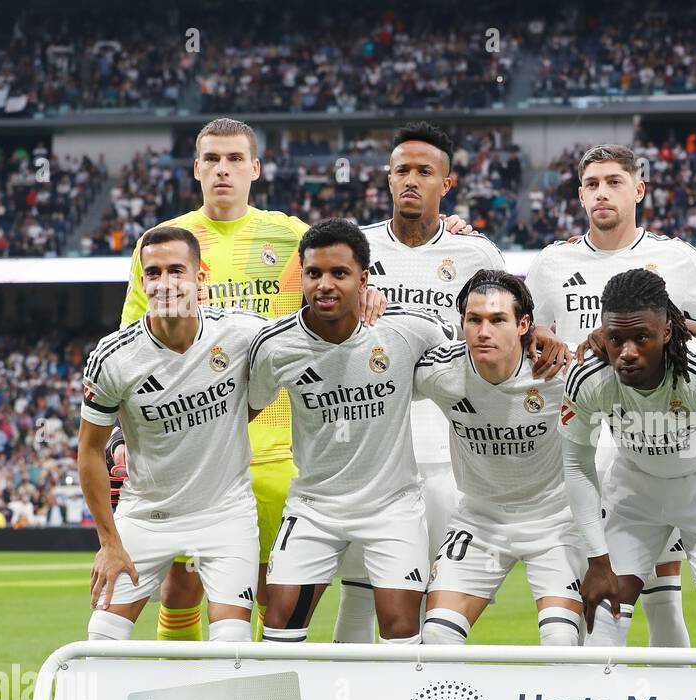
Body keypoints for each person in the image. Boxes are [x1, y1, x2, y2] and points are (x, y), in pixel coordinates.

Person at [117, 118, 381, 643]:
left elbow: (348, 267)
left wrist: (371, 293)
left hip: (278, 449)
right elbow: (134, 344)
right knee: (181, 587)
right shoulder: (164, 243)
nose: (223, 169)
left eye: (235, 159)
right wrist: (126, 437)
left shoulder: (289, 237)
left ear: (255, 169)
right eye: (211, 159)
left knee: (270, 592)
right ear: (196, 169)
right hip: (195, 454)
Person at [331, 121, 569, 643]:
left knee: (422, 598)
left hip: (441, 448)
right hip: (369, 444)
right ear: (387, 179)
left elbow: (510, 317)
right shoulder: (356, 250)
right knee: (359, 591)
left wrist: (545, 333)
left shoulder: (476, 254)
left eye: (424, 172)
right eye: (401, 171)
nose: (411, 181)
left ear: (448, 183)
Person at [527, 143, 696, 648]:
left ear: (638, 189)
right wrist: (544, 343)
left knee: (672, 598)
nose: (602, 192)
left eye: (614, 181)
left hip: (680, 438)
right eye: (592, 184)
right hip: (597, 442)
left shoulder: (679, 259)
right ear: (579, 195)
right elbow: (524, 333)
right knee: (622, 605)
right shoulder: (552, 264)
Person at [246, 220, 454, 643]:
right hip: (315, 506)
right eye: (313, 273)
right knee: (280, 624)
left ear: (364, 278)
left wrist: (537, 333)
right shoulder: (275, 346)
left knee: (400, 629)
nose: (324, 284)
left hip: (391, 505)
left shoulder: (408, 329)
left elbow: (476, 354)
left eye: (339, 274)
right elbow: (238, 415)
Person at [80, 226, 266, 643]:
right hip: (147, 515)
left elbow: (311, 327)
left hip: (225, 514)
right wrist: (110, 543)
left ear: (200, 278)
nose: (165, 283)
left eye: (177, 271)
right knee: (102, 640)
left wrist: (369, 297)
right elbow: (90, 452)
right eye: (154, 273)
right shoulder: (112, 358)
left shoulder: (241, 332)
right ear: (142, 282)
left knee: (232, 642)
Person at [560, 268, 696, 649]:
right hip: (635, 492)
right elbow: (576, 465)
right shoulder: (589, 377)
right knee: (601, 619)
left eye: (641, 338)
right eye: (616, 338)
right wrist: (598, 560)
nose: (627, 353)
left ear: (666, 332)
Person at [415, 270, 584, 646]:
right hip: (480, 521)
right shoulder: (440, 372)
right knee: (437, 635)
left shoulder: (561, 370)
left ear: (525, 324)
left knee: (561, 640)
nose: (483, 331)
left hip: (554, 522)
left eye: (497, 320)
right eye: (474, 320)